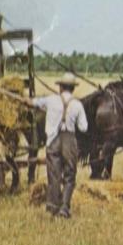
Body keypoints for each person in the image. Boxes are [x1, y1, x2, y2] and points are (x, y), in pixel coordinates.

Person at [27, 73, 88, 218]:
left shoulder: (51, 100)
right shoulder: (77, 104)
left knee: (53, 175)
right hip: (69, 142)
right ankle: (64, 208)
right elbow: (84, 127)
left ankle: (52, 207)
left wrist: (26, 101)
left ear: (60, 87)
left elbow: (33, 103)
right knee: (69, 175)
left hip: (53, 141)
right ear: (73, 88)